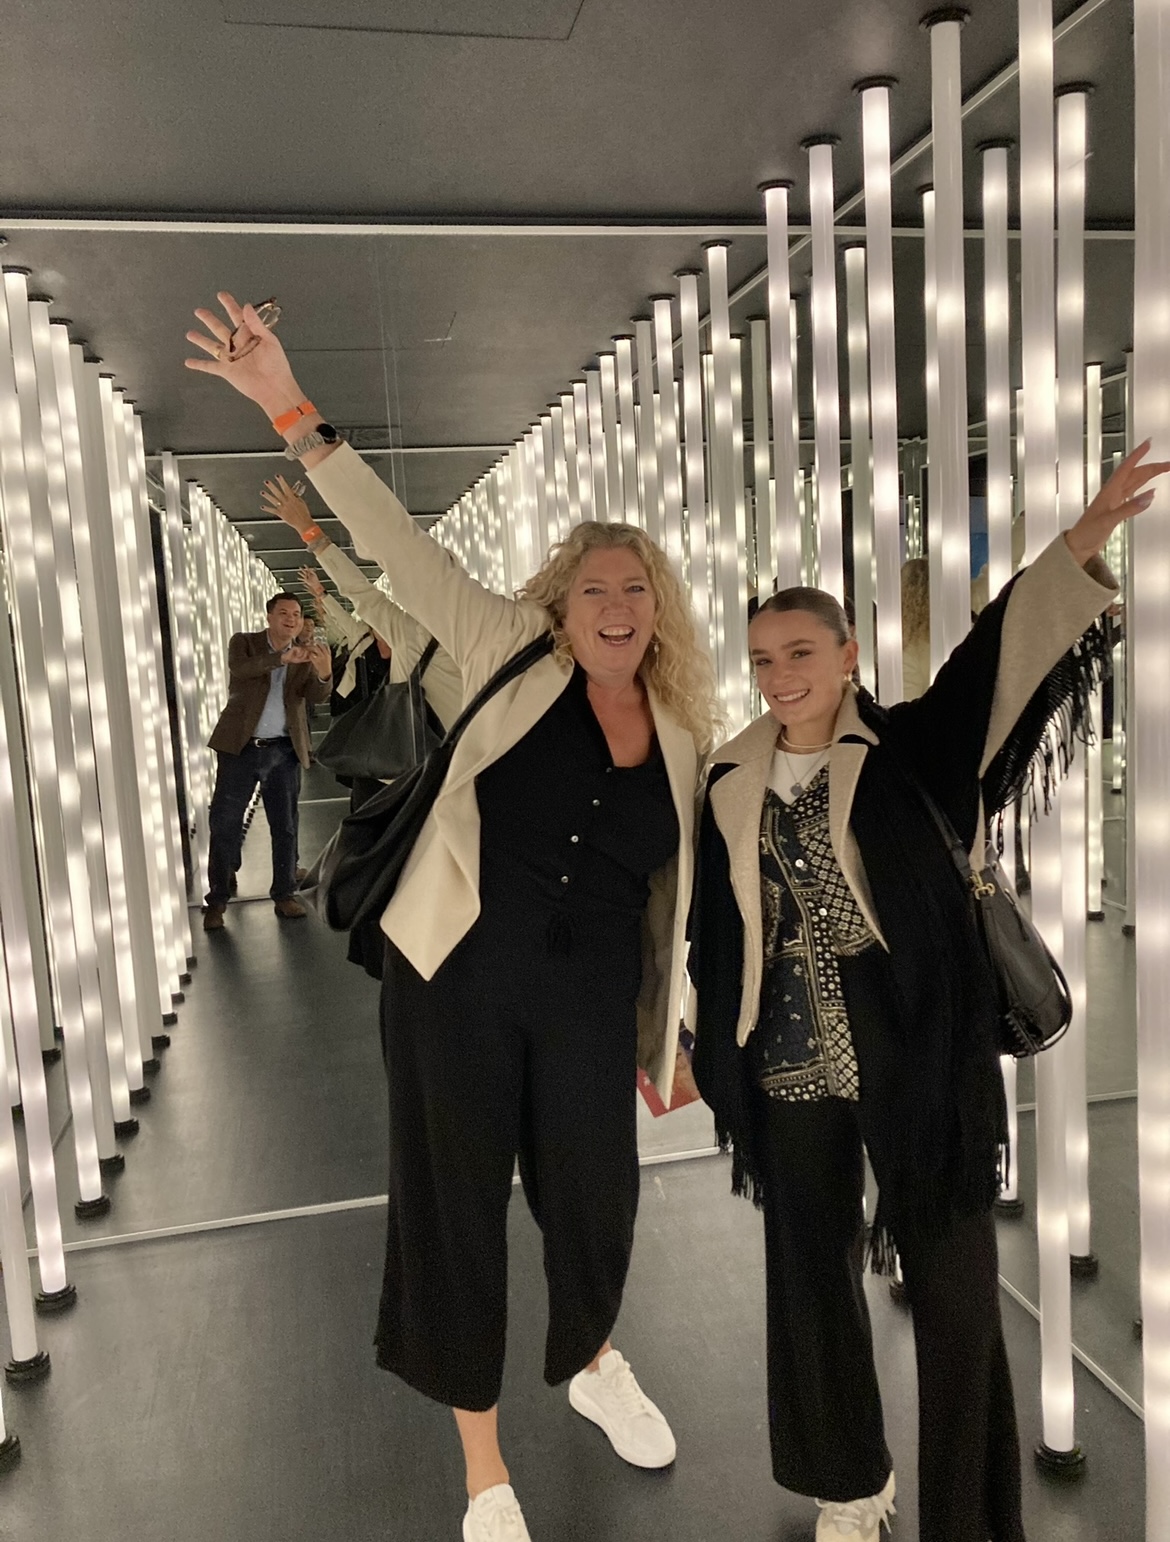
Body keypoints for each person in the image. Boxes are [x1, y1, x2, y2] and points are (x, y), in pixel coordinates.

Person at [185, 292, 717, 1542]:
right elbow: (399, 549)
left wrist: (676, 1028)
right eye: (596, 587)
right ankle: (484, 1465)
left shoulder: (685, 737)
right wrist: (289, 406)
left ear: (658, 608)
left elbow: (677, 899)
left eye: (637, 588)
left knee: (595, 1198)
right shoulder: (502, 645)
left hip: (590, 1006)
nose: (617, 604)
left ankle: (592, 1359)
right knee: (457, 1201)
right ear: (562, 601)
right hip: (458, 984)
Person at [689, 443, 1165, 1542]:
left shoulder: (913, 748)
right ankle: (848, 1486)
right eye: (761, 659)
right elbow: (711, 924)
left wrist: (1084, 538)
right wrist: (692, 1033)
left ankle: (968, 1519)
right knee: (810, 1282)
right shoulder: (729, 774)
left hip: (918, 1059)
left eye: (799, 652)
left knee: (956, 1302)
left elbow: (998, 651)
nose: (779, 676)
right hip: (787, 1058)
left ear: (847, 653)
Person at [263, 474, 464, 734]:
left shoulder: (411, 632)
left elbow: (360, 592)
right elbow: (359, 596)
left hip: (419, 743)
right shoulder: (478, 627)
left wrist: (308, 529)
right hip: (457, 741)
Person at [203, 590, 333, 931]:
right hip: (240, 748)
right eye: (284, 613)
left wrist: (323, 674)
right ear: (270, 617)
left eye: (297, 615)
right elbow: (241, 669)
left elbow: (315, 696)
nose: (291, 619)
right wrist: (281, 659)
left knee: (285, 825)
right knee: (225, 822)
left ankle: (284, 893)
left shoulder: (306, 653)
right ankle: (217, 899)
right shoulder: (244, 643)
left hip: (284, 750)